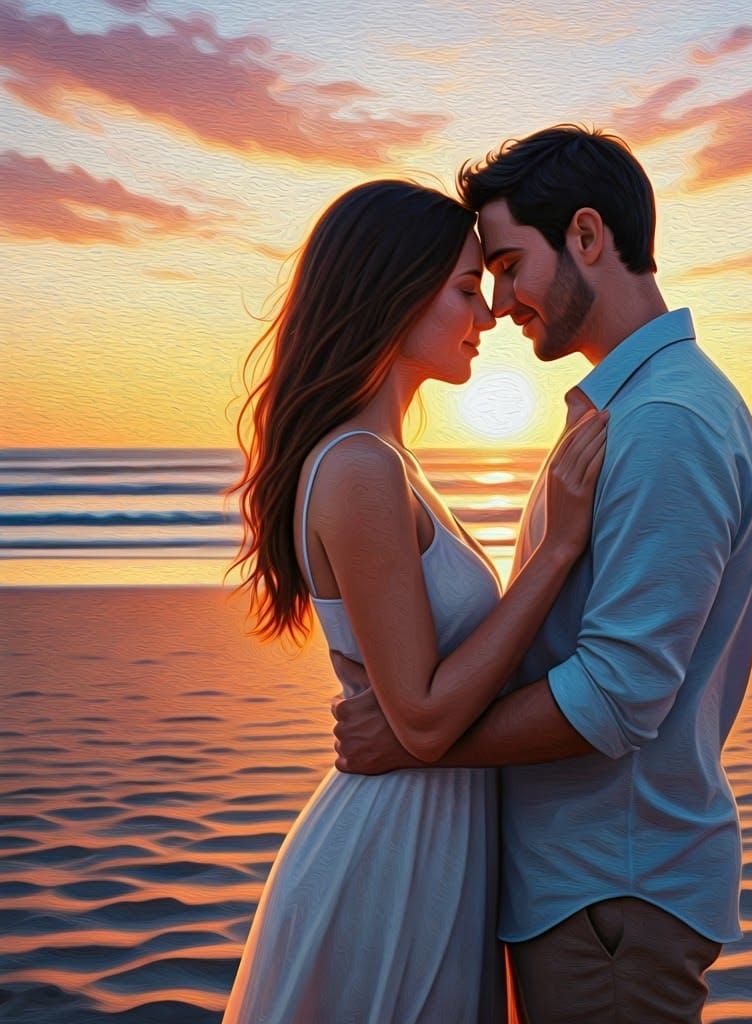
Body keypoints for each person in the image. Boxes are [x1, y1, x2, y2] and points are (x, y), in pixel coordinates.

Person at [332, 126, 752, 1023]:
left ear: (584, 236)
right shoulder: (635, 408)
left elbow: (618, 694)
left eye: (505, 264)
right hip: (591, 888)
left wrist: (423, 738)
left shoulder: (665, 424)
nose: (499, 303)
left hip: (611, 892)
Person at [222, 179, 609, 1024]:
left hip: (434, 833)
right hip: (391, 848)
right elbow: (425, 715)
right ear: (396, 295)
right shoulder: (360, 467)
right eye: (468, 289)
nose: (490, 313)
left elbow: (423, 709)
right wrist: (560, 547)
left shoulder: (391, 461)